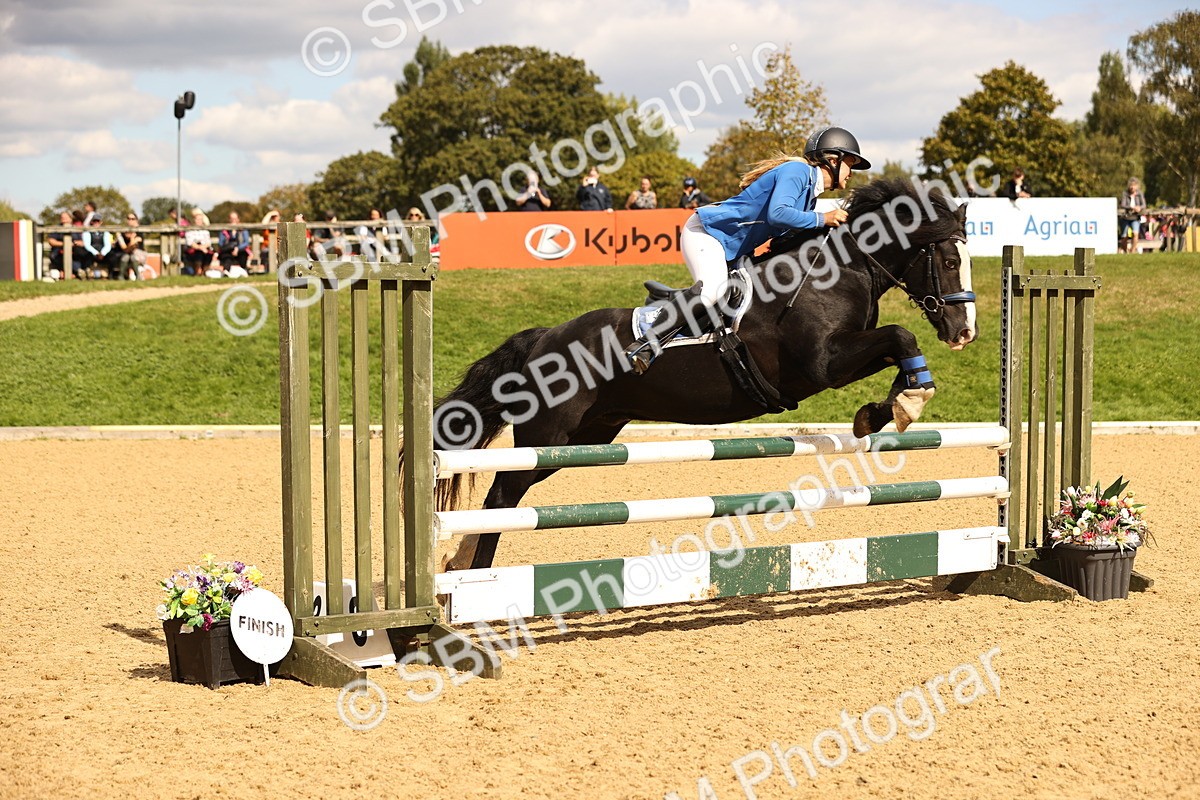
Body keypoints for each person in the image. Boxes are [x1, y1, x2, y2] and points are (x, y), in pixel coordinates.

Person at [625, 126, 871, 373]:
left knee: (748, 294)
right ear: (832, 160)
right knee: (711, 291)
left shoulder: (809, 195)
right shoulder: (798, 171)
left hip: (736, 250)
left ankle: (674, 302)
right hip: (707, 233)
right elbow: (778, 214)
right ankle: (644, 344)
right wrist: (822, 219)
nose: (851, 174)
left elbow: (782, 236)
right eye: (850, 163)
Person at [1118, 177, 1146, 254]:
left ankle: (1132, 251)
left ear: (1137, 186)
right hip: (1126, 217)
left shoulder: (1139, 194)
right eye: (1131, 185)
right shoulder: (1125, 194)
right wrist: (1131, 207)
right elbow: (1123, 204)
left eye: (1134, 185)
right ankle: (1126, 251)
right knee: (1124, 236)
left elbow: (1143, 205)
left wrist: (1139, 208)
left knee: (1135, 233)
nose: (1132, 187)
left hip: (1135, 217)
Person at [183, 208, 214, 275]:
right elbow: (190, 242)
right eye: (197, 219)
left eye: (200, 219)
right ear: (194, 220)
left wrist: (203, 247)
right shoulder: (190, 230)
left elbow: (208, 242)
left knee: (209, 254)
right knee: (198, 254)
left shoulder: (205, 231)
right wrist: (200, 248)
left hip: (204, 249)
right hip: (194, 250)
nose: (199, 221)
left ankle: (204, 271)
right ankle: (198, 271)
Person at [115, 212, 145, 280]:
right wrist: (132, 239)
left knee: (132, 257)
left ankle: (138, 276)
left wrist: (131, 239)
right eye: (128, 219)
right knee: (126, 256)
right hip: (121, 255)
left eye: (132, 219)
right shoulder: (122, 232)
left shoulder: (139, 231)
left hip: (138, 255)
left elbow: (133, 246)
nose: (130, 221)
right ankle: (121, 276)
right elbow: (125, 248)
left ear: (136, 220)